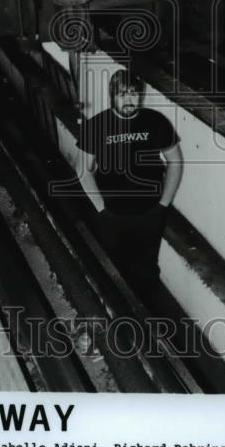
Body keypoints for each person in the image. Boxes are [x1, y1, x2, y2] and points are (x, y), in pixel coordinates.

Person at [76, 69, 183, 301]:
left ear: (140, 96)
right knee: (115, 270)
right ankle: (120, 319)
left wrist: (163, 204)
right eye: (122, 94)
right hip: (113, 214)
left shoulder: (156, 122)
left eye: (133, 94)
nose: (129, 100)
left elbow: (175, 161)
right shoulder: (97, 125)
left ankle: (149, 320)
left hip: (150, 212)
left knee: (147, 270)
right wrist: (101, 210)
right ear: (112, 96)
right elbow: (83, 170)